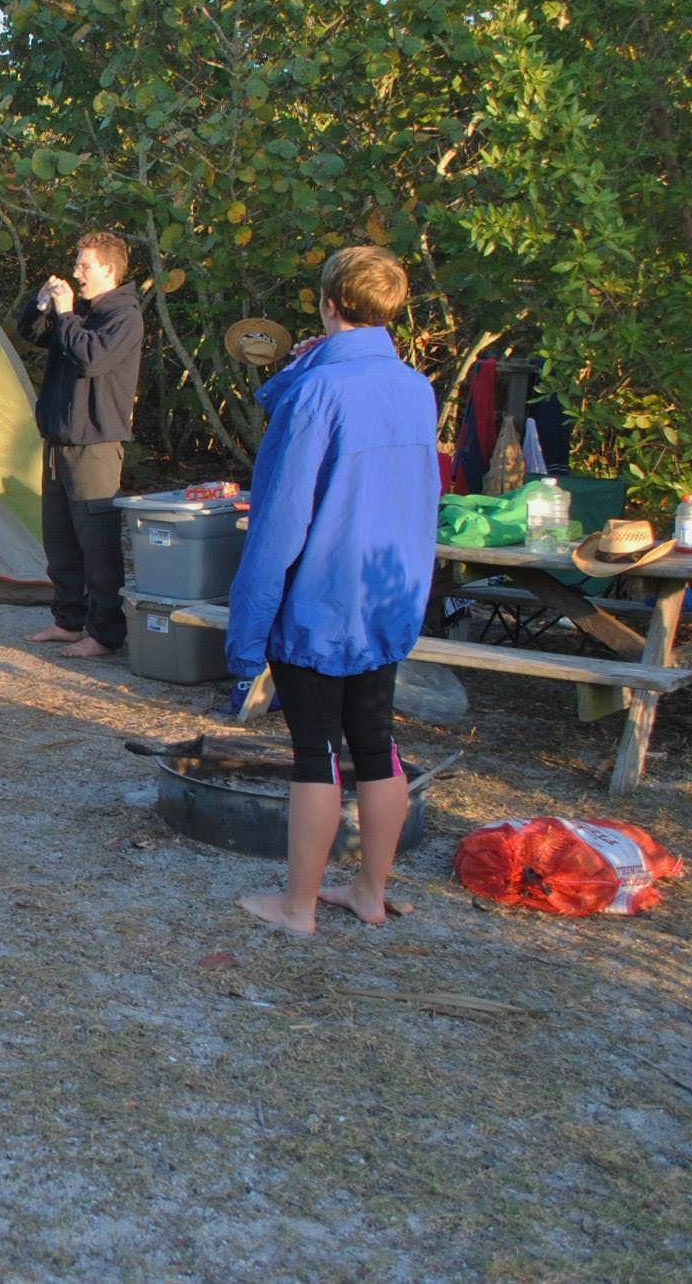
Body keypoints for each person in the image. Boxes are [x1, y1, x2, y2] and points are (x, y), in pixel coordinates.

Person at [225, 245, 438, 936]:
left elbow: (281, 519)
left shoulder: (318, 390)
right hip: (386, 593)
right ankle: (370, 892)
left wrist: (247, 630)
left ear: (328, 302)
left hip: (319, 597)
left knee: (313, 749)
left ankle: (298, 908)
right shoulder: (415, 387)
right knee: (376, 743)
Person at [15, 230, 143, 657]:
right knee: (61, 539)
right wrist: (42, 303)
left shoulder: (123, 316)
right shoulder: (81, 313)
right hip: (59, 439)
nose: (76, 273)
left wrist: (67, 313)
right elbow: (32, 334)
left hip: (96, 443)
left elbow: (91, 359)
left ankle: (106, 633)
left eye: (84, 265)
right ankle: (69, 620)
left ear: (109, 269)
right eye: (76, 264)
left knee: (97, 542)